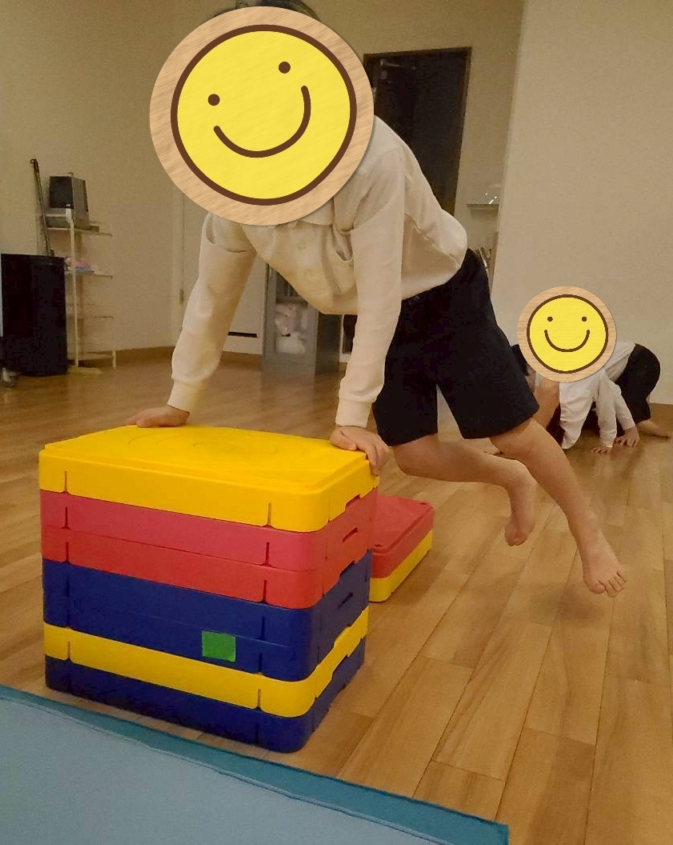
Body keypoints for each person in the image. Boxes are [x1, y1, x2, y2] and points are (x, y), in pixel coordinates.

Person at [129, 0, 626, 597]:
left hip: (444, 294)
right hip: (370, 308)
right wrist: (180, 400)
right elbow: (212, 297)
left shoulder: (373, 161)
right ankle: (511, 480)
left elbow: (384, 291)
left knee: (513, 431)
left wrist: (348, 417)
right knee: (413, 455)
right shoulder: (233, 189)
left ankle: (587, 531)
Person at [507, 341, 669, 454]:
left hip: (639, 360)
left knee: (617, 408)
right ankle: (634, 420)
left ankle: (639, 421)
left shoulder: (555, 369)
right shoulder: (557, 372)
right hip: (601, 379)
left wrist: (620, 434)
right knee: (602, 404)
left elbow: (611, 398)